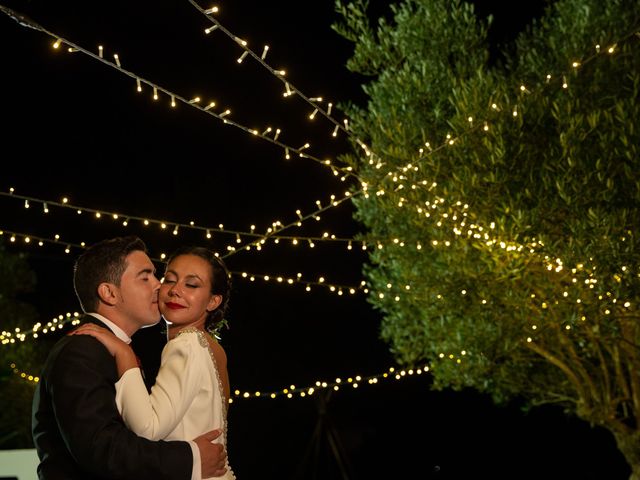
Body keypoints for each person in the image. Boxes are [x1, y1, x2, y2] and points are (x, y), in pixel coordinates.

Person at [31, 236, 228, 480]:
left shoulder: (115, 350)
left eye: (157, 276)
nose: (159, 286)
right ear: (109, 293)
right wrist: (191, 459)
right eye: (145, 277)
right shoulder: (81, 350)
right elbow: (100, 448)